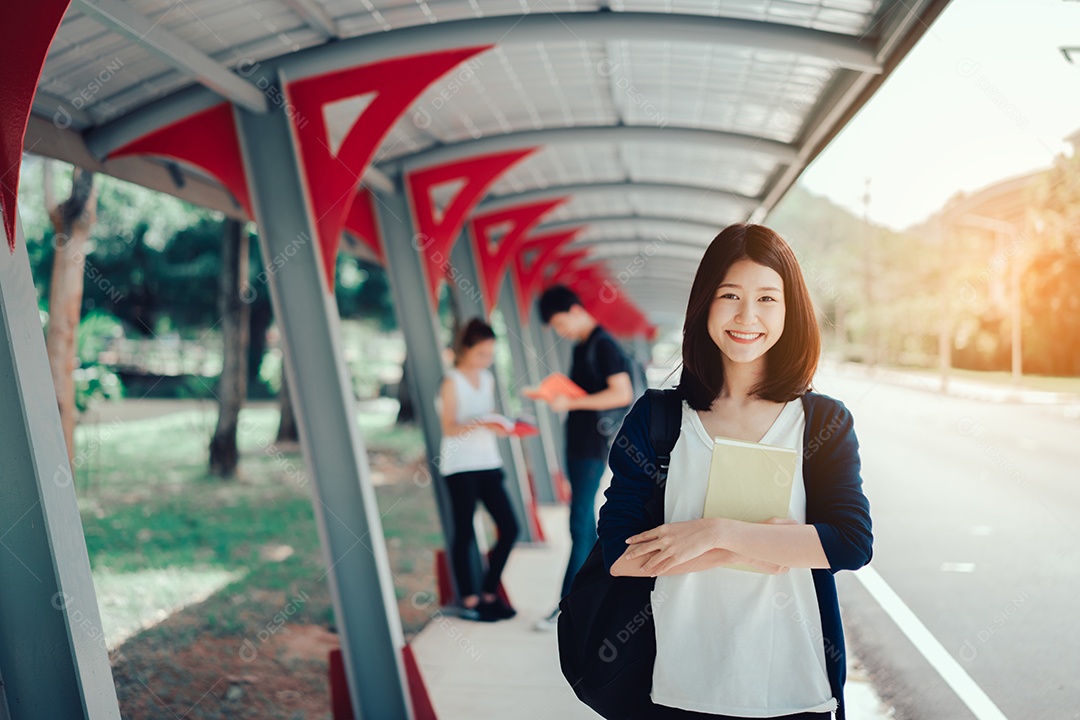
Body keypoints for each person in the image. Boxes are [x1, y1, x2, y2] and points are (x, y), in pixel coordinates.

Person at [598, 223, 873, 719]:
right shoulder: (658, 419)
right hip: (677, 687)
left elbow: (850, 542)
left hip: (794, 687)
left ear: (791, 311)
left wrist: (715, 532)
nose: (748, 316)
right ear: (705, 302)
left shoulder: (823, 421)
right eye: (730, 295)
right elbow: (618, 554)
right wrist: (756, 545)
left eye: (768, 298)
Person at [532, 285, 635, 629]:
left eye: (561, 323)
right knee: (582, 524)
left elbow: (622, 392)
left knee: (579, 522)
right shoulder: (585, 345)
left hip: (591, 447)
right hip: (581, 445)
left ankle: (569, 607)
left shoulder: (602, 344)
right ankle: (589, 600)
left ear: (576, 310)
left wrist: (571, 403)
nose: (562, 332)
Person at [437, 318, 520, 622]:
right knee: (465, 532)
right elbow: (449, 427)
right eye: (482, 353)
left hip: (488, 462)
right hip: (460, 466)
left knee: (510, 528)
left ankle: (488, 592)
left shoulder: (487, 380)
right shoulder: (451, 381)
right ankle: (470, 600)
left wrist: (499, 427)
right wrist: (481, 422)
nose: (487, 360)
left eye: (490, 354)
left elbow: (485, 421)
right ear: (466, 349)